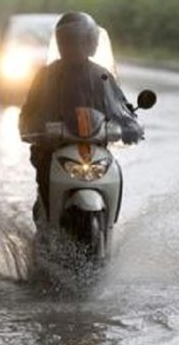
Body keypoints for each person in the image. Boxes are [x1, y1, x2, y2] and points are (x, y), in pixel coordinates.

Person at [19, 12, 143, 218]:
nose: (75, 45)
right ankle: (46, 221)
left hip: (93, 148)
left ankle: (110, 220)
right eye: (69, 40)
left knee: (114, 168)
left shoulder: (102, 76)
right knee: (43, 174)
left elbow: (120, 107)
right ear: (60, 42)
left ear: (92, 42)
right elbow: (29, 112)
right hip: (54, 148)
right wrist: (37, 129)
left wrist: (130, 126)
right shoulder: (45, 76)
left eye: (80, 40)